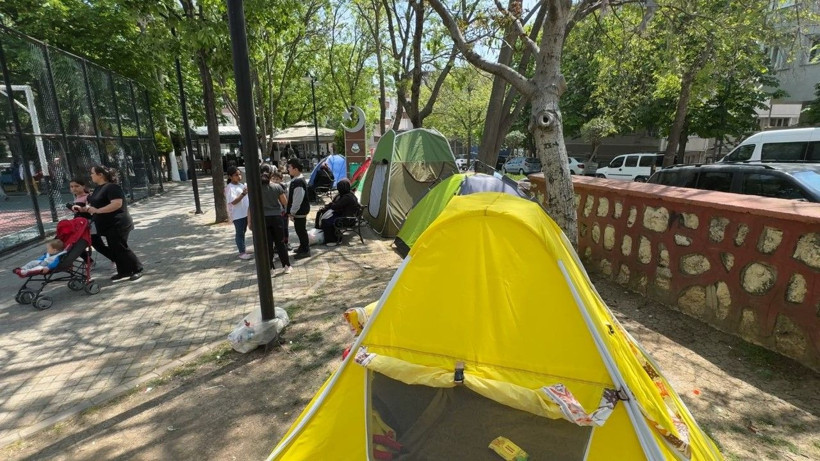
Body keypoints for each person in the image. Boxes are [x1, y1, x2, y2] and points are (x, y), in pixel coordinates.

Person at [77, 165, 143, 282]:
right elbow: (96, 204)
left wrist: (97, 211)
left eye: (92, 173)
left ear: (100, 175)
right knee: (114, 248)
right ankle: (124, 271)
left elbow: (116, 204)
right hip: (106, 224)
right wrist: (85, 209)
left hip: (117, 223)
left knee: (121, 247)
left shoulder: (112, 187)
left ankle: (137, 269)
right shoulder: (98, 188)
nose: (90, 175)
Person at [259, 169, 292, 274]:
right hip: (277, 217)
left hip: (263, 218)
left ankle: (270, 268)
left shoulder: (256, 189)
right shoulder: (277, 187)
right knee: (280, 242)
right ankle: (286, 266)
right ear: (269, 178)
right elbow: (284, 202)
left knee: (267, 244)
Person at [315, 179, 360, 247]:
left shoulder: (346, 197)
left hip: (347, 220)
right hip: (350, 216)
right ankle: (333, 236)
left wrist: (330, 205)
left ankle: (333, 240)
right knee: (329, 218)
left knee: (326, 221)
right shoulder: (349, 194)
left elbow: (335, 206)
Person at [226, 165, 253, 260]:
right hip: (238, 215)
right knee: (240, 233)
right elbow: (233, 201)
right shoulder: (230, 187)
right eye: (236, 175)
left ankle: (243, 248)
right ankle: (241, 252)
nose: (239, 176)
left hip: (246, 213)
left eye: (239, 174)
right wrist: (243, 194)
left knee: (243, 231)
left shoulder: (241, 185)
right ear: (230, 177)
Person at [286, 158, 310, 259]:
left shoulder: (299, 182)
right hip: (298, 211)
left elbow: (297, 200)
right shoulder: (296, 180)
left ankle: (305, 250)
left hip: (300, 211)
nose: (288, 169)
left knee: (301, 230)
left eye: (289, 167)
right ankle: (302, 246)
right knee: (299, 230)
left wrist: (292, 212)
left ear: (295, 169)